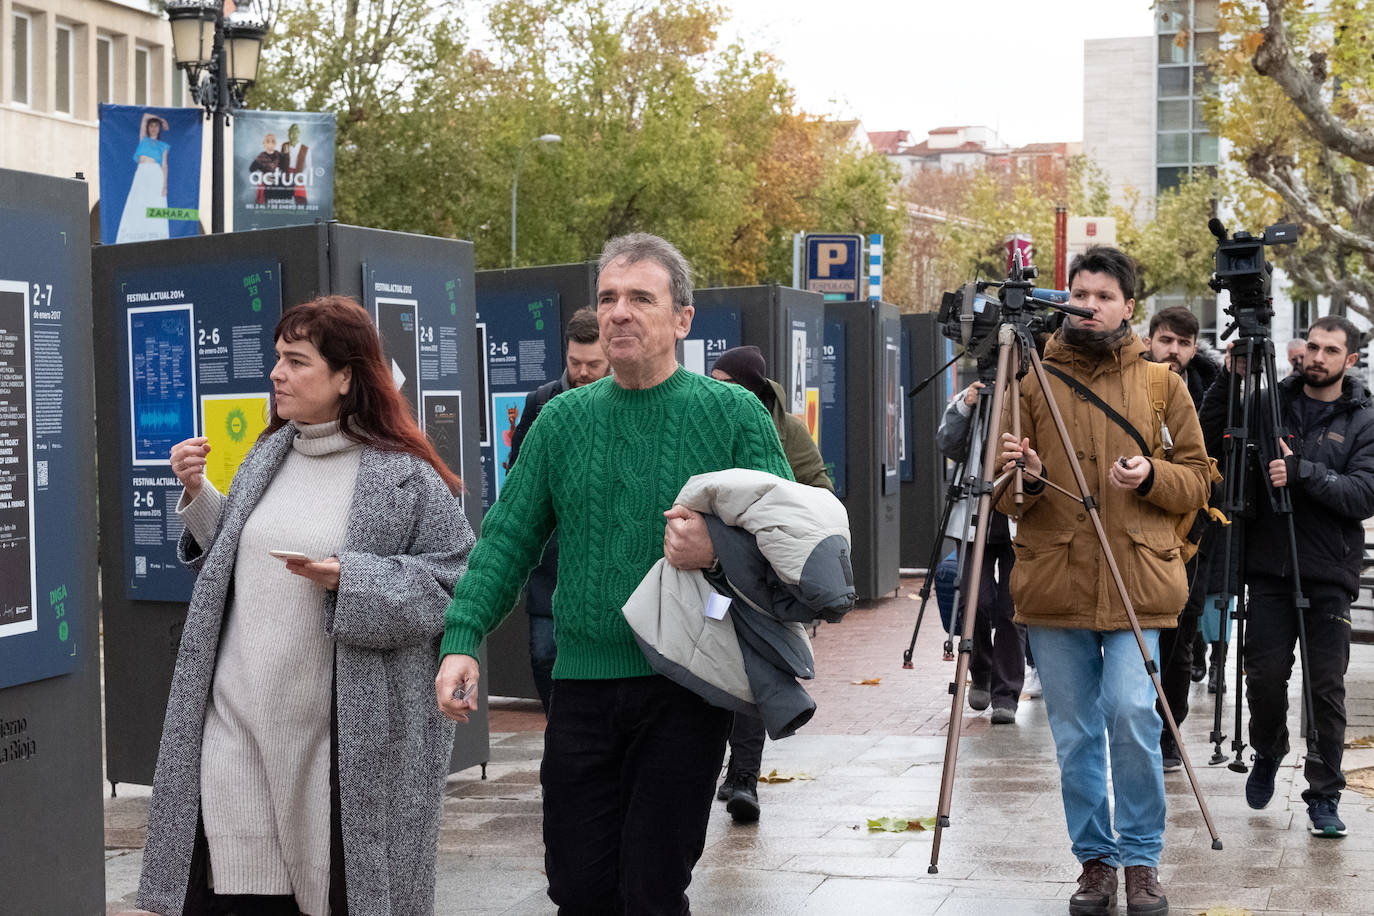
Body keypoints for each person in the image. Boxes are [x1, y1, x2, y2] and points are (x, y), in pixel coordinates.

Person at [435, 233, 792, 914]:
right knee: (578, 888)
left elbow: (790, 545)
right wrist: (462, 635)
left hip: (686, 686)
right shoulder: (561, 422)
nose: (619, 312)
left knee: (652, 891)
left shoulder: (734, 414)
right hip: (581, 688)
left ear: (682, 319)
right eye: (607, 298)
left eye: (639, 298)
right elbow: (508, 537)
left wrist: (715, 551)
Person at [137, 297, 473, 916]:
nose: (276, 374)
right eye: (276, 359)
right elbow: (239, 557)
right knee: (235, 893)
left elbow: (455, 582)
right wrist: (198, 492)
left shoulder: (406, 476)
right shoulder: (270, 454)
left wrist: (353, 579)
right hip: (233, 716)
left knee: (333, 892)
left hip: (335, 737)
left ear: (346, 377)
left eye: (296, 361)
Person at [998, 246, 1210, 916]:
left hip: (1136, 580)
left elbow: (1201, 481)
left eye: (1103, 295)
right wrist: (1025, 477)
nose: (1087, 305)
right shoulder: (1028, 383)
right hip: (1054, 581)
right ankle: (1096, 861)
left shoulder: (1161, 386)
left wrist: (1150, 474)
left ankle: (1142, 858)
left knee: (1128, 712)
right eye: (1078, 293)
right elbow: (1003, 494)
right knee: (1077, 734)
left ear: (1129, 306)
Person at [1199, 315, 1374, 838]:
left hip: (1329, 573)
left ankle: (1323, 793)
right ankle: (1269, 747)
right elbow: (1210, 438)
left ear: (1351, 359)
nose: (1317, 357)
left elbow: (1364, 494)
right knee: (1265, 679)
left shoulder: (1365, 420)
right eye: (1312, 347)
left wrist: (1303, 472)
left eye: (1330, 350)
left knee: (1326, 689)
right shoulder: (1269, 402)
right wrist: (1230, 379)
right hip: (1269, 570)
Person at [708, 344, 832, 822]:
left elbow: (819, 492)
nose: (716, 392)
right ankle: (711, 767)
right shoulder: (701, 419)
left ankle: (744, 776)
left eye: (727, 384)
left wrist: (769, 512)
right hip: (704, 567)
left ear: (752, 389)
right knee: (708, 662)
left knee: (753, 667)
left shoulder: (787, 430)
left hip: (758, 570)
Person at [506, 306, 611, 713]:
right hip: (550, 567)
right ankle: (560, 729)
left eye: (593, 365)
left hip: (602, 560)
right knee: (544, 656)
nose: (582, 373)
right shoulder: (541, 402)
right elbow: (518, 480)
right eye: (574, 363)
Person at [1141, 306, 1224, 772]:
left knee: (1180, 635)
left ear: (1195, 348)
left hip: (1192, 534)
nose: (1173, 350)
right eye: (1166, 339)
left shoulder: (1210, 390)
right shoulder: (1130, 383)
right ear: (1150, 338)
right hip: (1138, 527)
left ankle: (1169, 734)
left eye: (1183, 343)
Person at [936, 379, 1026, 725]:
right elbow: (947, 443)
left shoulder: (1033, 392)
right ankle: (982, 670)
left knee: (1010, 608)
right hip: (973, 518)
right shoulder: (971, 396)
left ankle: (1007, 694)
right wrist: (967, 405)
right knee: (977, 600)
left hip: (1019, 516)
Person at [116, 113, 170, 243]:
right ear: (148, 128)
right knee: (138, 201)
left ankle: (155, 235)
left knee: (154, 202)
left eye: (156, 126)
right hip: (142, 172)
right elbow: (145, 116)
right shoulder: (143, 140)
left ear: (159, 129)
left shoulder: (163, 146)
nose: (154, 128)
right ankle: (134, 234)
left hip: (155, 174)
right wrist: (161, 119)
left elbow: (164, 165)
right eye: (151, 126)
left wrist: (164, 185)